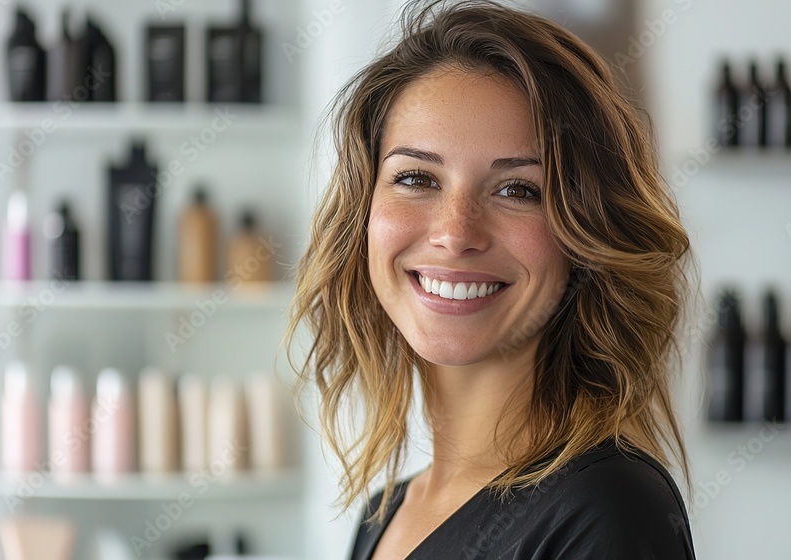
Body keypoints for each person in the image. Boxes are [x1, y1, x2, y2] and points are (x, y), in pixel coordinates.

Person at [288, 0, 697, 558]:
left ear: (586, 240)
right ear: (363, 212)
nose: (456, 233)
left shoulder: (606, 510)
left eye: (518, 189)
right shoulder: (385, 512)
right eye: (416, 178)